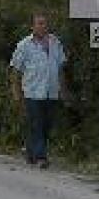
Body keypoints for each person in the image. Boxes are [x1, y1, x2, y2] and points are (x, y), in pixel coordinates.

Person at [9, 12, 68, 169]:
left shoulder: (55, 42)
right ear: (33, 26)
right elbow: (16, 71)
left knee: (47, 125)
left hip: (51, 91)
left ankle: (30, 151)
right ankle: (41, 157)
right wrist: (16, 92)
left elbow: (60, 68)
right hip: (33, 92)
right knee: (37, 123)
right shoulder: (24, 45)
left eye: (45, 23)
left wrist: (63, 89)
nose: (43, 26)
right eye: (39, 23)